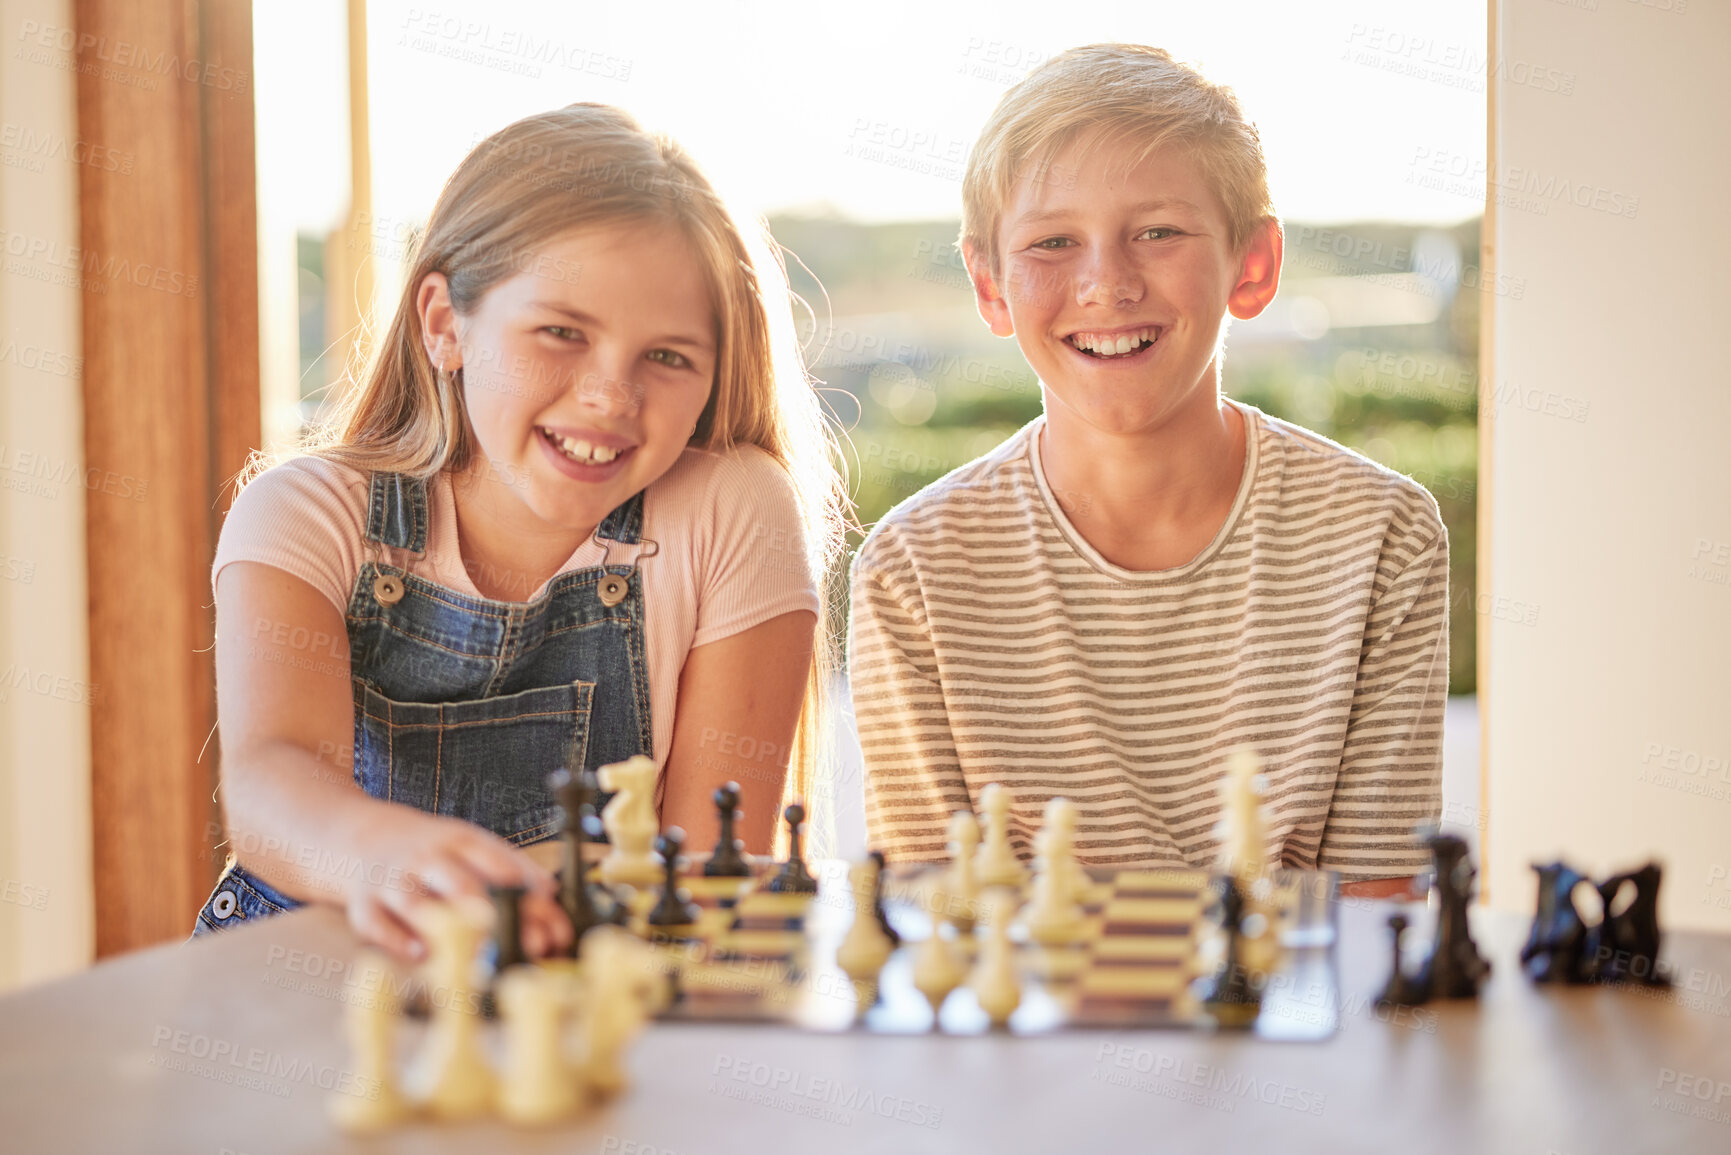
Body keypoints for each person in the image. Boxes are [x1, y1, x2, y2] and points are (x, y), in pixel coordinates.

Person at [193, 104, 844, 959]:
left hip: (590, 989)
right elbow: (270, 784)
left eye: (668, 355)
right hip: (315, 997)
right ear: (443, 322)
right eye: (561, 332)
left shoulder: (732, 509)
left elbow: (701, 876)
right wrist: (384, 856)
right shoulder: (310, 513)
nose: (611, 396)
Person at [849, 45, 1446, 896]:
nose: (1106, 284)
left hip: (1289, 1022)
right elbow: (935, 918)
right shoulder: (912, 568)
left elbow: (1375, 906)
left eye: (1158, 232)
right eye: (1053, 241)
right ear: (988, 285)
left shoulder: (1380, 536)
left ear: (1253, 265)